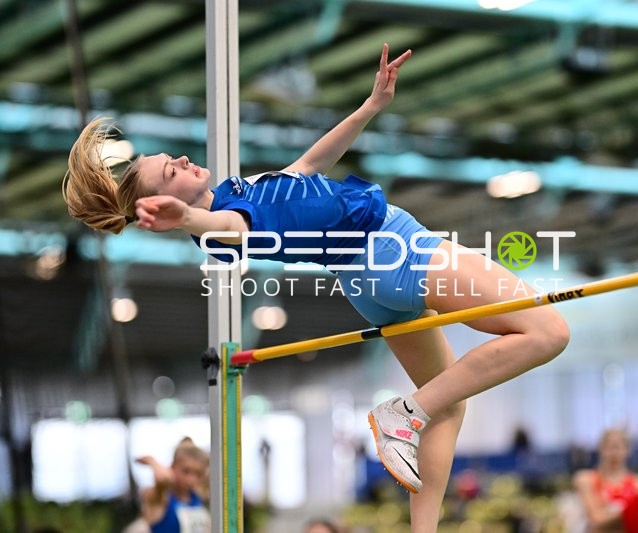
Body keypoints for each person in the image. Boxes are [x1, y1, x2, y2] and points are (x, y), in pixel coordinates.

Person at [63, 44, 570, 532]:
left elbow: (304, 170)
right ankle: (402, 412)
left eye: (172, 155)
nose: (183, 160)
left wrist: (370, 107)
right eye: (172, 171)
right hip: (392, 248)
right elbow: (224, 228)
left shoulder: (236, 191)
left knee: (448, 404)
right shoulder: (221, 220)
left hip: (367, 283)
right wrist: (186, 218)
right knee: (547, 331)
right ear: (166, 202)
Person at [572, 429, 638, 533]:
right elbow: (597, 520)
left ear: (628, 450)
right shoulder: (586, 479)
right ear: (600, 449)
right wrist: (631, 509)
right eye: (609, 448)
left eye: (618, 447)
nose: (614, 453)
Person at [135, 438, 211, 533]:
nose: (191, 479)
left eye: (197, 474)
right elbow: (162, 478)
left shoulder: (196, 496)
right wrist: (152, 462)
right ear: (172, 467)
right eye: (186, 471)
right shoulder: (160, 498)